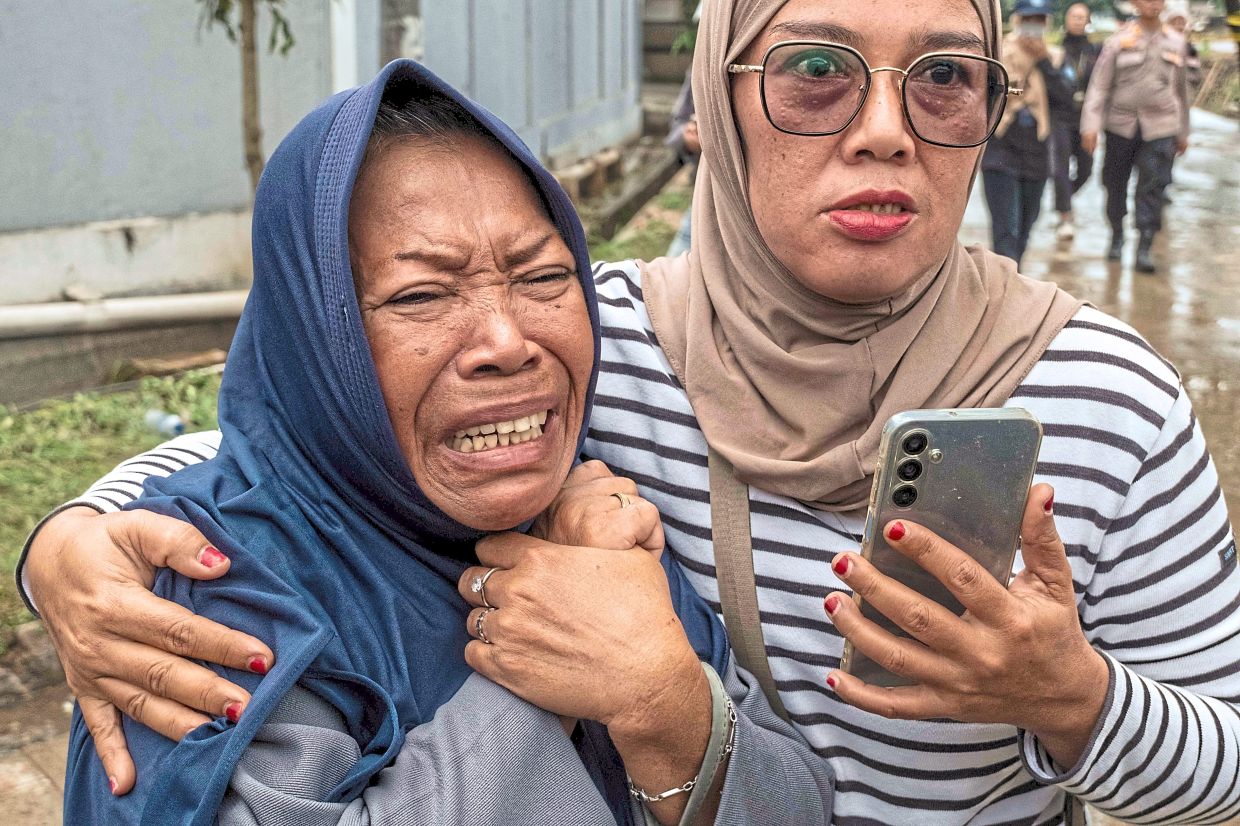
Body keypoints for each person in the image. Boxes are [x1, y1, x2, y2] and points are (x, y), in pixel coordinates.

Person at [20, 1, 1240, 823]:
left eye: (944, 79)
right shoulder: (595, 342)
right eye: (814, 71)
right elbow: (317, 439)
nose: (883, 130)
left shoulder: (1108, 399)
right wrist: (75, 543)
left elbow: (1226, 757)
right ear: (714, 97)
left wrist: (1074, 699)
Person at [52, 60, 830, 825]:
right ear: (315, 344)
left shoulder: (595, 514)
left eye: (543, 276)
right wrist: (549, 667)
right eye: (422, 294)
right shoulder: (212, 589)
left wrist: (668, 703)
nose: (507, 339)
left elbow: (797, 804)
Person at [1081, 0, 1191, 273]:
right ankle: (1117, 235)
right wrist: (1090, 125)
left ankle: (1145, 245)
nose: (1152, 3)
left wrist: (1183, 131)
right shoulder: (1119, 41)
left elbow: (1182, 92)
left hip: (1161, 126)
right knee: (1114, 183)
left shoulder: (1176, 43)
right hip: (1121, 125)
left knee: (1152, 187)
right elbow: (1099, 86)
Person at [980, 0, 1074, 267]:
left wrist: (1043, 62)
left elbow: (1066, 99)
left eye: (1040, 20)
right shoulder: (997, 53)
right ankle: (1004, 293)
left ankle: (1011, 281)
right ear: (1017, 21)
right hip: (1000, 149)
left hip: (1037, 152)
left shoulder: (1055, 57)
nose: (1034, 26)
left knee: (1025, 228)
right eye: (1029, 19)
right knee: (1005, 232)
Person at [1049, 3, 1101, 241]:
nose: (1078, 20)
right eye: (1073, 16)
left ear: (1088, 21)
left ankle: (1064, 200)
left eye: (1082, 17)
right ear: (1066, 19)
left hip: (1085, 118)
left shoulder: (1094, 51)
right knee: (1059, 168)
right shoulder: (1056, 49)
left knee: (1086, 169)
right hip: (1059, 116)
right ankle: (1065, 215)